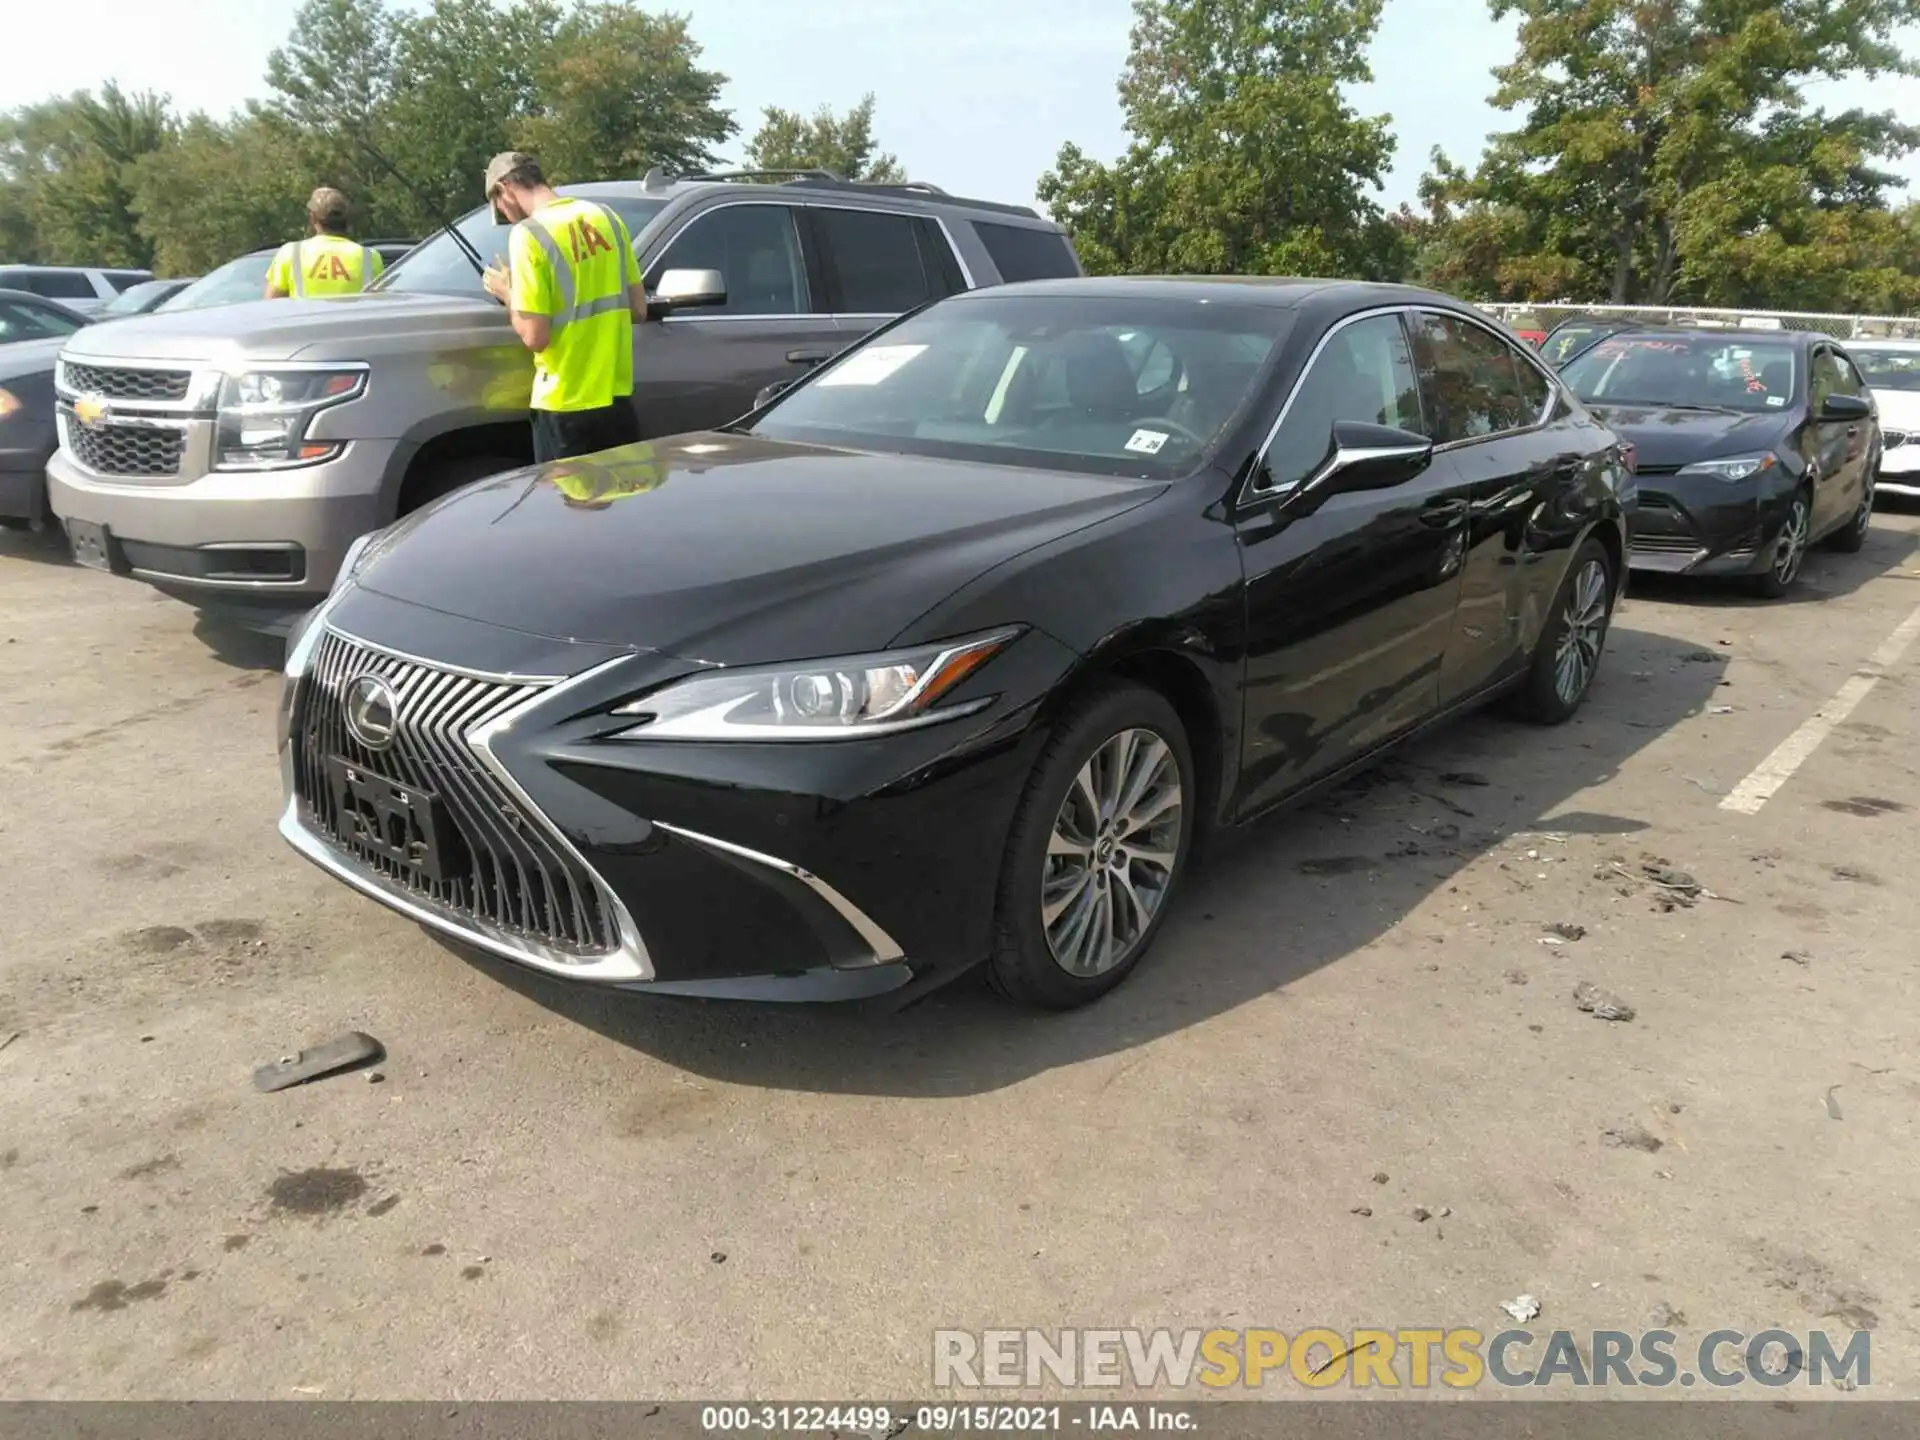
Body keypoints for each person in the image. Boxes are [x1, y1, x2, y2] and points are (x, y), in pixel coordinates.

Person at [479, 151, 648, 463]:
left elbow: (535, 336)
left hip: (564, 406)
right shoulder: (606, 217)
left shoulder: (529, 234)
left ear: (505, 190)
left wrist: (509, 293)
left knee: (566, 508)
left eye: (499, 206)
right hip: (616, 398)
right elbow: (639, 309)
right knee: (622, 506)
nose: (505, 213)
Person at [265, 187, 384, 299]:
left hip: (306, 321)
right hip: (352, 321)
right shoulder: (370, 257)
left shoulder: (290, 253)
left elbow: (273, 307)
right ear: (347, 219)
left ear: (312, 218)